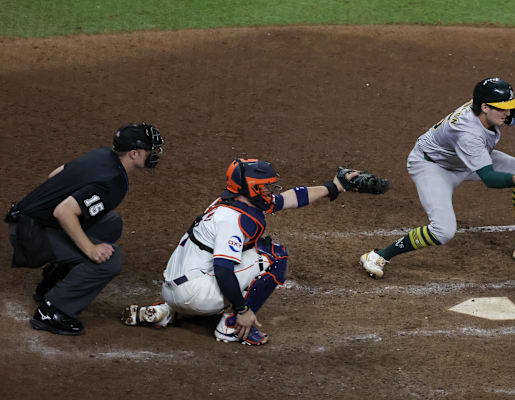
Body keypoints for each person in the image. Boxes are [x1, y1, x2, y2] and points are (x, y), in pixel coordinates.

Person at [121, 159, 364, 346]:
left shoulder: (228, 201)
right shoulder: (234, 220)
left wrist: (335, 186)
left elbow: (289, 198)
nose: (271, 190)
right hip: (195, 294)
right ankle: (230, 327)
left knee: (232, 255)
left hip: (172, 287)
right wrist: (243, 310)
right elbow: (223, 271)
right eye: (266, 186)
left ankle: (166, 312)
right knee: (275, 255)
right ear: (252, 188)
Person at [360, 77, 515, 279]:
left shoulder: (493, 108)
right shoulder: (467, 131)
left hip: (467, 159)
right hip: (433, 166)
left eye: (509, 107)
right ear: (485, 107)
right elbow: (489, 178)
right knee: (443, 231)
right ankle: (377, 256)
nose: (508, 113)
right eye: (503, 108)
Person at [4, 123, 165, 335]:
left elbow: (56, 174)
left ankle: (55, 278)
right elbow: (63, 212)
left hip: (27, 221)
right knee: (111, 259)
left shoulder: (103, 155)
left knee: (110, 222)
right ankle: (52, 311)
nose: (155, 154)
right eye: (150, 150)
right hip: (29, 234)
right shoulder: (114, 181)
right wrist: (90, 249)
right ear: (134, 154)